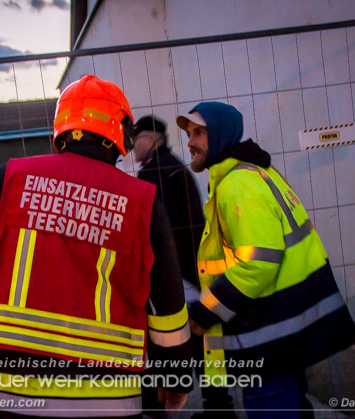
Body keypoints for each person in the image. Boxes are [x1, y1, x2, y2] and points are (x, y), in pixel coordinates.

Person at [0, 75, 193, 418]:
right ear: (122, 133)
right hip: (107, 402)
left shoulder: (10, 179)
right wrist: (176, 380)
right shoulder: (141, 201)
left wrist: (0, 269)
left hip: (10, 396)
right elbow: (167, 309)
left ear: (60, 127)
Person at [175, 101, 355, 418]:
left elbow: (258, 263)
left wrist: (206, 311)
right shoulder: (254, 172)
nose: (190, 142)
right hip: (285, 325)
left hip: (269, 333)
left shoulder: (238, 183)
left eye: (199, 132)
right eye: (190, 133)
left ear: (221, 135)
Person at [132, 115, 207, 416]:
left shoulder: (154, 174)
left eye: (136, 138)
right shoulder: (175, 168)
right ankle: (218, 406)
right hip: (191, 274)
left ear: (150, 139)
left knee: (169, 354)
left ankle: (166, 407)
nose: (131, 145)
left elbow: (158, 235)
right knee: (199, 352)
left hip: (176, 280)